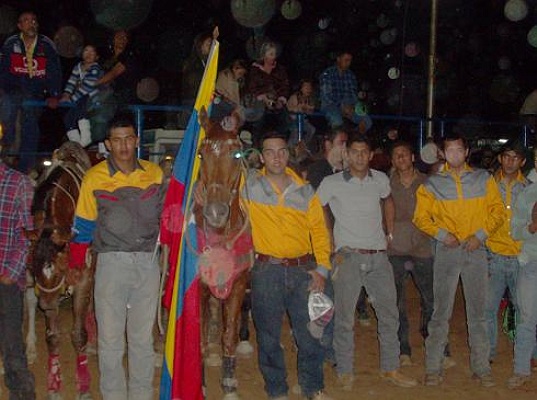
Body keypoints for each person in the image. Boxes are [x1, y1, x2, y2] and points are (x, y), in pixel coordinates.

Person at [69, 114, 164, 400]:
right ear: (108, 144)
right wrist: (75, 264)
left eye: (128, 139)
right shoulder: (94, 177)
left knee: (141, 340)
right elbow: (84, 224)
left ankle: (141, 395)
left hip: (148, 263)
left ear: (137, 141)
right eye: (117, 140)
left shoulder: (155, 174)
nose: (123, 146)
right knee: (110, 341)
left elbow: (168, 217)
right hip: (111, 264)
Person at [317, 134, 417, 391]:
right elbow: (316, 208)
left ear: (371, 155)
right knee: (344, 317)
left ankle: (390, 367)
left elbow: (388, 200)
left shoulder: (380, 179)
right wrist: (328, 238)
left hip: (379, 257)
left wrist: (390, 232)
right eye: (355, 151)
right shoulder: (331, 182)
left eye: (364, 152)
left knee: (389, 314)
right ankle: (345, 369)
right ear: (346, 154)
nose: (360, 156)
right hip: (348, 257)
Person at [244, 131, 332, 400]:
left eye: (281, 151)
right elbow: (219, 187)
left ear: (288, 154)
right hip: (266, 271)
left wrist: (322, 269)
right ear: (261, 157)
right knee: (268, 336)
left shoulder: (305, 191)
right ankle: (277, 390)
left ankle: (312, 387)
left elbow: (320, 232)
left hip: (302, 270)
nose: (276, 157)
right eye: (269, 152)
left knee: (310, 334)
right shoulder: (248, 188)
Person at [413, 132, 505, 387]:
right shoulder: (432, 184)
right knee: (441, 311)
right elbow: (421, 217)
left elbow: (498, 211)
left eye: (459, 150)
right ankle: (434, 368)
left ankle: (481, 368)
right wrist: (443, 235)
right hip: (448, 251)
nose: (454, 154)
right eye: (449, 150)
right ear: (443, 154)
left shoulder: (483, 179)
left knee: (478, 313)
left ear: (466, 152)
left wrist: (480, 236)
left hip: (475, 250)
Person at [388, 141, 455, 368]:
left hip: (423, 248)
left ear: (413, 157)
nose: (401, 158)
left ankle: (438, 346)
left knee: (431, 299)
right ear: (392, 160)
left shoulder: (427, 183)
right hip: (395, 250)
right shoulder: (386, 185)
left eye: (404, 154)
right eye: (396, 155)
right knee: (397, 302)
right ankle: (403, 349)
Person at [0, 11, 61, 173]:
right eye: (26, 21)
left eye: (34, 20)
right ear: (19, 26)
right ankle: (7, 148)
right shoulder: (11, 43)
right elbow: (3, 70)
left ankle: (26, 167)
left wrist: (54, 94)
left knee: (30, 121)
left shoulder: (46, 45)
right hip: (13, 90)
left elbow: (54, 71)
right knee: (7, 109)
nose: (31, 23)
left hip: (35, 92)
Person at [0, 131, 36, 399]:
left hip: (5, 279)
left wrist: (10, 274)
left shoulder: (18, 183)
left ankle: (22, 394)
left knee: (12, 345)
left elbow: (26, 235)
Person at [485, 142, 528, 363]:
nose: (510, 161)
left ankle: (526, 355)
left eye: (515, 157)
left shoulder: (530, 188)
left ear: (522, 161)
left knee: (525, 310)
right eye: (507, 156)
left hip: (521, 257)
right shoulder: (488, 185)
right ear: (500, 159)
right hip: (494, 255)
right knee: (488, 309)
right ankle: (488, 353)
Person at [507, 161, 537, 389]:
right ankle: (521, 369)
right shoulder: (527, 194)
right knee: (527, 318)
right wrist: (532, 226)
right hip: (531, 262)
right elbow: (515, 232)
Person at [60, 44, 103, 147]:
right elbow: (71, 82)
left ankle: (86, 137)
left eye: (92, 52)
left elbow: (88, 86)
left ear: (97, 56)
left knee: (82, 113)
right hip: (79, 98)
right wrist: (66, 94)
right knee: (68, 119)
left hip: (92, 97)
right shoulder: (77, 67)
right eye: (86, 50)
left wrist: (72, 99)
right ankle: (76, 143)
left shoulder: (95, 68)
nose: (89, 54)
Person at [318, 50, 372, 131]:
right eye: (346, 60)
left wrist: (352, 107)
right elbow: (327, 96)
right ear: (338, 59)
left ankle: (353, 136)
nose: (348, 63)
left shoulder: (351, 75)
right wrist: (342, 106)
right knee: (337, 121)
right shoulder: (327, 73)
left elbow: (353, 95)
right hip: (330, 105)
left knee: (367, 121)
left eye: (350, 61)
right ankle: (336, 137)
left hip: (348, 106)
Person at [246, 41, 290, 140]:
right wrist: (263, 97)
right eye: (271, 54)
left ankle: (282, 143)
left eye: (274, 54)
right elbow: (251, 87)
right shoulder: (255, 69)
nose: (273, 57)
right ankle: (256, 143)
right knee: (259, 119)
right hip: (259, 101)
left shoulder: (280, 69)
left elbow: (285, 85)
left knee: (285, 121)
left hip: (276, 101)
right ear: (264, 55)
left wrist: (281, 99)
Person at [287, 79, 317, 149]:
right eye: (306, 87)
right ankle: (290, 148)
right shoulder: (294, 97)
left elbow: (311, 110)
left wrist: (308, 109)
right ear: (301, 88)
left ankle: (302, 146)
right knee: (296, 130)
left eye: (309, 87)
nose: (308, 89)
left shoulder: (309, 99)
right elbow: (289, 108)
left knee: (311, 130)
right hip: (292, 120)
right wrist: (299, 108)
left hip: (303, 121)